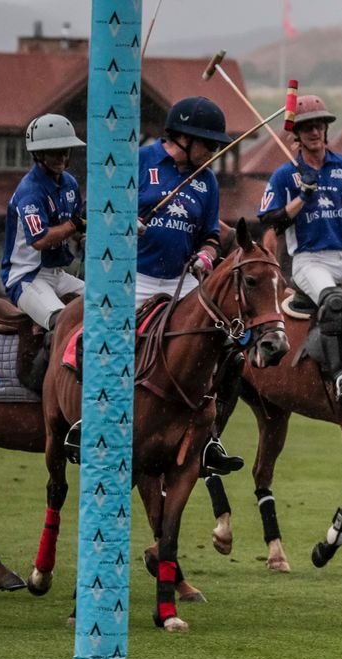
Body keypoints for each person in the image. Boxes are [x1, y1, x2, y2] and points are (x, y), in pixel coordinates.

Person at [64, 97, 239, 474]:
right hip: (133, 277)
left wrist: (207, 257)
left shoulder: (205, 180)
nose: (213, 152)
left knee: (225, 347)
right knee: (101, 341)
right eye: (208, 144)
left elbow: (210, 235)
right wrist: (125, 222)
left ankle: (208, 436)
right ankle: (89, 420)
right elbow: (92, 210)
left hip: (182, 280)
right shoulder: (139, 161)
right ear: (183, 137)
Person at [256, 94, 342, 405]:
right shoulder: (285, 175)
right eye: (307, 127)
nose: (314, 132)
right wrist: (301, 197)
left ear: (325, 129)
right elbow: (270, 221)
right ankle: (337, 378)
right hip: (309, 261)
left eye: (319, 125)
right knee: (333, 302)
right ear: (297, 134)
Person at [0, 114, 86, 368]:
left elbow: (77, 223)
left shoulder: (69, 183)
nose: (60, 158)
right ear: (38, 155)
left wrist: (84, 234)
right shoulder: (30, 192)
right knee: (63, 321)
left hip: (57, 274)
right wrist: (74, 225)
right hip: (26, 277)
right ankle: (45, 383)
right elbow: (40, 240)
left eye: (64, 151)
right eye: (52, 153)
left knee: (105, 305)